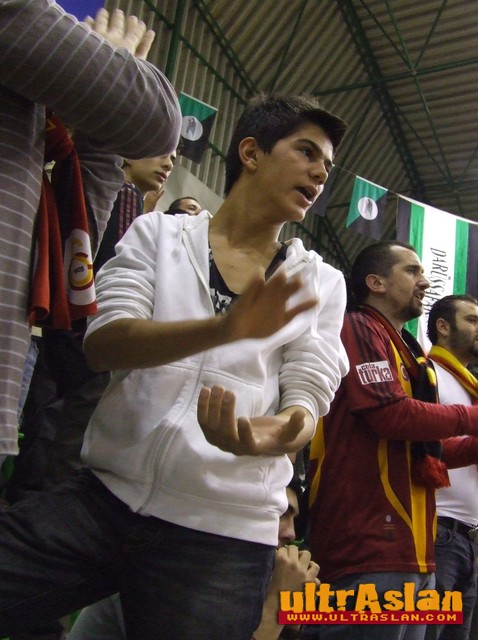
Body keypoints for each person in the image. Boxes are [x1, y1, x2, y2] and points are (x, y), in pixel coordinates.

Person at [0, 93, 349, 640]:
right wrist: (223, 329)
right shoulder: (158, 234)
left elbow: (308, 399)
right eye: (306, 152)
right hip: (105, 498)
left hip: (224, 532)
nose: (320, 173)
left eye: (327, 165)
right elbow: (104, 343)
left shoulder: (321, 283)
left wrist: (266, 436)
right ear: (251, 153)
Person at [0, 2, 181, 464]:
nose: (168, 160)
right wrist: (113, 63)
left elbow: (73, 251)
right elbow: (159, 121)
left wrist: (105, 111)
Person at [305, 241, 478, 640]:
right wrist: (474, 418)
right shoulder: (357, 326)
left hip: (414, 550)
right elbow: (390, 414)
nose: (425, 281)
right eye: (412, 271)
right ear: (376, 283)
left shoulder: (410, 355)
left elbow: (430, 453)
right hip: (366, 545)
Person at [67, 475, 318, 640]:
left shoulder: (247, 583)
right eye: (281, 514)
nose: (291, 533)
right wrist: (275, 608)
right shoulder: (170, 571)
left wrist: (290, 624)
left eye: (294, 519)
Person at [425, 295, 478, 640]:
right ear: (443, 327)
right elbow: (424, 450)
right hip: (437, 533)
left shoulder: (470, 386)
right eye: (472, 320)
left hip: (468, 539)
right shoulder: (427, 374)